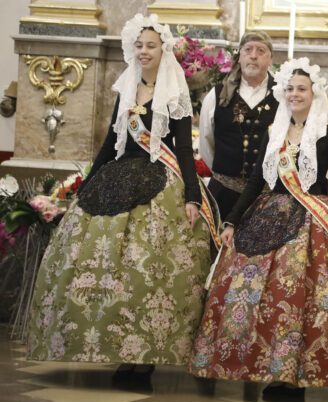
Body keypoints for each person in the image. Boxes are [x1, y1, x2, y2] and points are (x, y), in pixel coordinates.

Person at [27, 14, 217, 383]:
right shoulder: (126, 89)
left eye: (151, 46)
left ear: (163, 50)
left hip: (159, 182)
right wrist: (85, 186)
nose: (144, 52)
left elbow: (181, 150)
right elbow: (107, 146)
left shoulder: (175, 95)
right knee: (105, 266)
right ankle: (116, 348)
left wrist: (192, 197)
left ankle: (144, 356)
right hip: (116, 178)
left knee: (145, 268)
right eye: (139, 46)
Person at [188, 58, 328, 400]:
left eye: (301, 89)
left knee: (298, 291)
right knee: (251, 288)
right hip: (268, 215)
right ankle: (262, 366)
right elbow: (257, 180)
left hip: (313, 219)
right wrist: (232, 221)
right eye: (289, 89)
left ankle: (293, 378)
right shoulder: (274, 133)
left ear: (314, 94)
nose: (294, 94)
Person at [198, 30, 278, 220]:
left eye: (261, 51)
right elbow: (206, 143)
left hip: (266, 199)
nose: (253, 55)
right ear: (239, 57)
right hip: (222, 195)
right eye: (248, 49)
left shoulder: (282, 96)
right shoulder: (217, 95)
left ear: (270, 60)